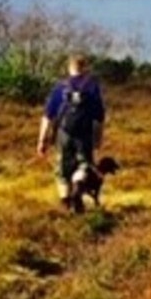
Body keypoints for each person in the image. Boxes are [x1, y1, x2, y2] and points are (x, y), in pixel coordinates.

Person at [38, 53, 107, 212]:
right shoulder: (92, 87)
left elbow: (47, 116)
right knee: (84, 166)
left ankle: (66, 205)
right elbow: (99, 118)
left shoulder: (60, 88)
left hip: (64, 135)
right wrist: (98, 140)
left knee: (62, 171)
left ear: (69, 67)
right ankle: (78, 186)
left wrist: (42, 140)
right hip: (84, 135)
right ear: (85, 67)